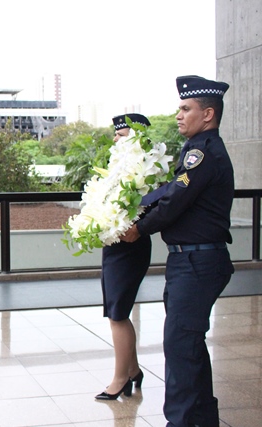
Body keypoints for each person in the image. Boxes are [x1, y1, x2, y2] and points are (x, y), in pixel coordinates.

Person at [121, 75, 233, 427]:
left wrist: (139, 227)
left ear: (208, 113)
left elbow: (175, 202)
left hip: (198, 261)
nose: (179, 114)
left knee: (180, 347)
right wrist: (140, 204)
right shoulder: (196, 149)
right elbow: (171, 189)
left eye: (186, 109)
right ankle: (203, 419)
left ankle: (181, 421)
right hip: (191, 260)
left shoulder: (203, 152)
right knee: (190, 345)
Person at [95, 113, 153, 400]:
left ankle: (120, 380)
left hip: (131, 244)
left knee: (118, 313)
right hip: (115, 245)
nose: (115, 139)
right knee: (114, 310)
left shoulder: (145, 168)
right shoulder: (119, 166)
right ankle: (133, 371)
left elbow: (154, 203)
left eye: (121, 134)